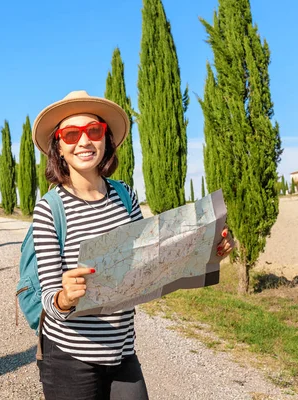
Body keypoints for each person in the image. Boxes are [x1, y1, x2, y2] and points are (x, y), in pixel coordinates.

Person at [31, 90, 234, 400]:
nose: (84, 141)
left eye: (93, 131)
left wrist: (206, 250)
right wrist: (64, 297)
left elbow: (150, 264)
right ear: (58, 147)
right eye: (70, 134)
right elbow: (48, 300)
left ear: (106, 139)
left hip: (122, 351)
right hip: (70, 358)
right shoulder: (50, 208)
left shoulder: (124, 195)